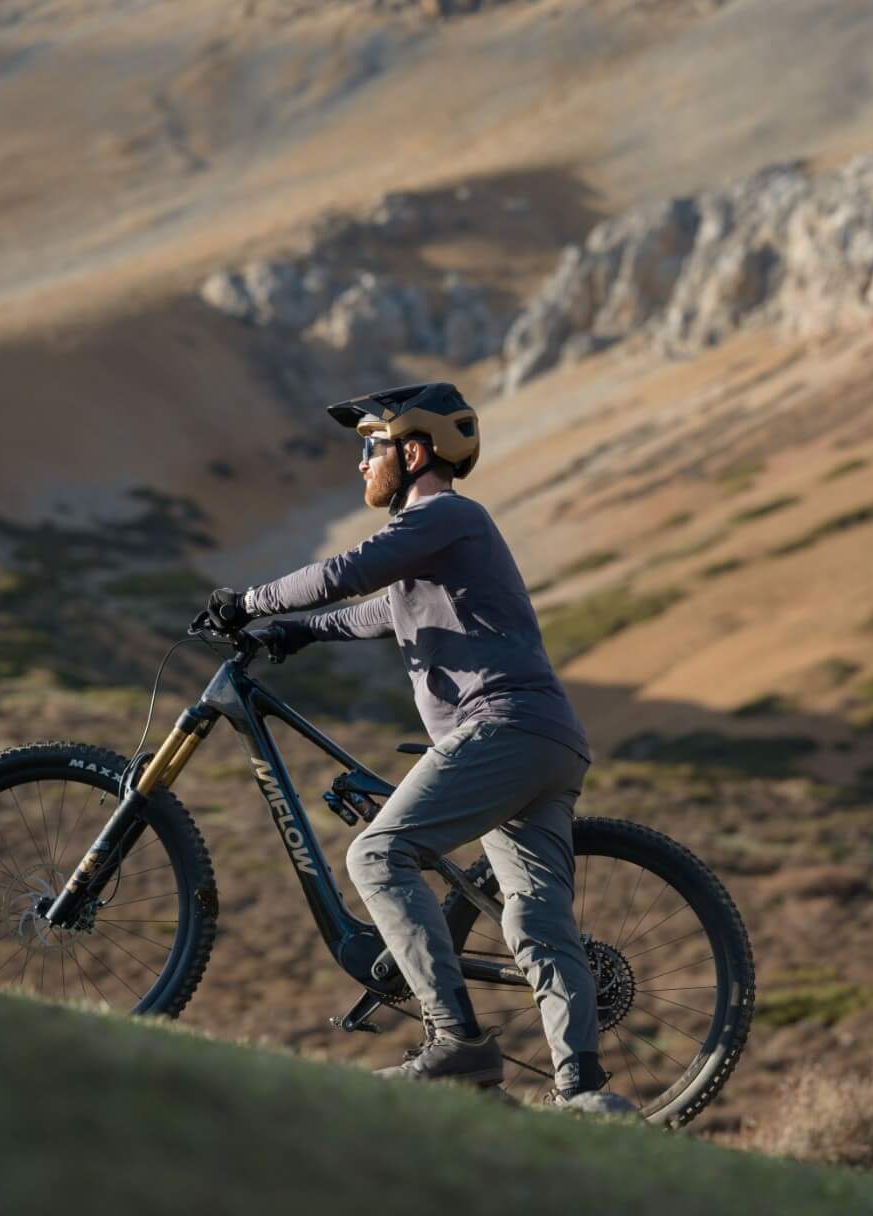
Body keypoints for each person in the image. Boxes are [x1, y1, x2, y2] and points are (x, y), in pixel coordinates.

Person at [203, 381, 629, 1114]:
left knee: (377, 856)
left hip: (500, 727)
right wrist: (301, 631)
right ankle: (583, 1091)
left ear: (414, 451)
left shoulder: (446, 514)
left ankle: (456, 1042)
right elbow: (377, 610)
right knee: (535, 920)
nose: (360, 463)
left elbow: (345, 574)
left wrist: (248, 602)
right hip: (547, 739)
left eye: (371, 446)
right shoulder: (441, 544)